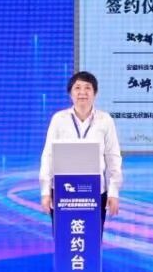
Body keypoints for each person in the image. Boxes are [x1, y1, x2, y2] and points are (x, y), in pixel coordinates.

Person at [40, 71, 123, 218]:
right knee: (64, 233)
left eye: (87, 88)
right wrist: (45, 192)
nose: (82, 92)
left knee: (93, 233)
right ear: (70, 93)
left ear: (95, 93)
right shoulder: (59, 119)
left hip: (96, 192)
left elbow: (113, 157)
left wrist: (113, 192)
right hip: (63, 192)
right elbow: (48, 156)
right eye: (77, 88)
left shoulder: (105, 120)